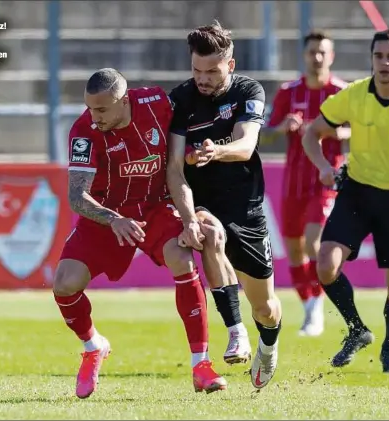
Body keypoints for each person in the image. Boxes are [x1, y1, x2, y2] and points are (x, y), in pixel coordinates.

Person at [52, 68, 228, 399]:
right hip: (106, 215)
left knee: (181, 257)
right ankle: (93, 347)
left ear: (124, 100)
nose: (95, 116)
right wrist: (113, 218)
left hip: (153, 208)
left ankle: (201, 365)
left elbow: (192, 107)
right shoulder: (83, 131)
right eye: (90, 108)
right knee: (64, 284)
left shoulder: (157, 104)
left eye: (101, 109)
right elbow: (77, 196)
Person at [167, 21, 283, 389]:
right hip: (204, 202)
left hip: (245, 207)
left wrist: (217, 151)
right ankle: (236, 333)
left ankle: (267, 344)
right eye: (196, 70)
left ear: (229, 66)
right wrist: (187, 214)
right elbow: (173, 166)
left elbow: (247, 145)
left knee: (264, 307)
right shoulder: (182, 99)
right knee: (209, 233)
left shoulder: (249, 90)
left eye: (211, 71)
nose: (202, 78)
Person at [302, 29, 389, 374]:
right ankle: (357, 330)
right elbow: (311, 132)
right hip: (357, 192)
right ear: (371, 59)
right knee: (325, 265)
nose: (384, 62)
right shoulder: (354, 95)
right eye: (378, 56)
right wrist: (322, 166)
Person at [262, 31, 350, 336]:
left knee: (315, 243)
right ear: (304, 55)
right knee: (295, 251)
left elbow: (361, 129)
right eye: (312, 52)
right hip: (292, 183)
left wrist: (341, 134)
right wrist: (281, 127)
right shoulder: (289, 92)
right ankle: (310, 307)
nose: (317, 58)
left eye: (323, 52)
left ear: (332, 56)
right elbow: (264, 133)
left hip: (325, 179)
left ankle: (316, 312)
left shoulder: (342, 92)